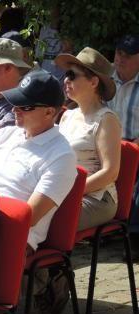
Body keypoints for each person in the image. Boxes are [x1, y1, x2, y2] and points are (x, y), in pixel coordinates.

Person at [0, 70, 77, 314]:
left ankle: (39, 281)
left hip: (13, 232)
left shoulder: (61, 155)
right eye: (15, 102)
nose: (15, 110)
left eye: (25, 106)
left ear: (50, 112)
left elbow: (29, 217)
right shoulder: (3, 135)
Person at [56, 47, 121, 230]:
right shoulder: (68, 115)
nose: (66, 80)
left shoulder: (106, 119)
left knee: (46, 218)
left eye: (72, 75)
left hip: (97, 198)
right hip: (65, 192)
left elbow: (110, 172)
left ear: (93, 82)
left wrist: (71, 192)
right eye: (66, 75)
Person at [109, 35, 139, 143]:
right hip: (104, 143)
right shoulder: (104, 77)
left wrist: (134, 147)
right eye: (119, 53)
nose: (120, 59)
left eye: (127, 56)